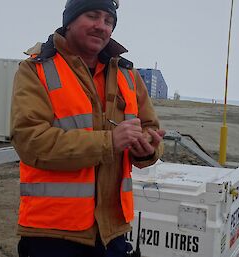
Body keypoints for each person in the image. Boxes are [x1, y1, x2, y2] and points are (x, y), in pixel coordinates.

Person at [10, 0, 165, 256]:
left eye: (108, 21)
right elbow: (30, 141)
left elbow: (151, 130)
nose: (101, 26)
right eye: (92, 16)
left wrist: (147, 148)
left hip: (112, 232)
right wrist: (109, 142)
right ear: (69, 21)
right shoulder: (35, 69)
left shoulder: (128, 74)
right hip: (52, 234)